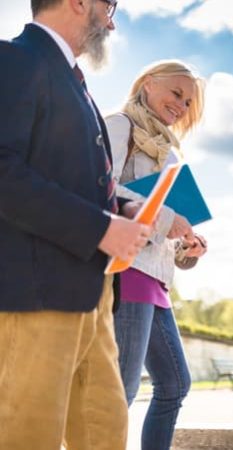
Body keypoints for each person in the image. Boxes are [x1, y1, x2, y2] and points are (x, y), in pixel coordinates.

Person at [0, 0, 151, 448]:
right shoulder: (14, 60)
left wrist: (119, 216)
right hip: (35, 296)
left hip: (94, 297)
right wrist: (100, 229)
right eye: (111, 6)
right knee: (29, 435)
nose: (111, 20)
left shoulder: (76, 85)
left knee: (105, 433)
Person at [105, 60, 208, 450]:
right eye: (176, 93)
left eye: (188, 102)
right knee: (122, 390)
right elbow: (100, 188)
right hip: (126, 271)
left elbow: (165, 237)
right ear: (148, 84)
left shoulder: (167, 152)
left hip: (156, 279)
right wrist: (169, 218)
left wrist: (187, 247)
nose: (181, 106)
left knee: (175, 383)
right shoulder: (120, 127)